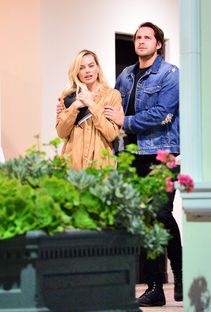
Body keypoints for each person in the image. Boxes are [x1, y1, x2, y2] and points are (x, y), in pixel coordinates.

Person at [104, 22, 181, 307]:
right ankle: (154, 287)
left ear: (158, 43)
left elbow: (163, 113)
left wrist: (125, 121)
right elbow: (110, 107)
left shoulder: (170, 74)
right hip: (130, 155)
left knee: (160, 213)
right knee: (143, 221)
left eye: (147, 37)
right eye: (137, 37)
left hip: (161, 153)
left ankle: (180, 274)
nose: (141, 41)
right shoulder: (124, 76)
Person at [56, 49, 123, 171]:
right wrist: (75, 106)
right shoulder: (68, 97)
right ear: (77, 72)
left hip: (100, 166)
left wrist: (91, 105)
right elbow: (61, 133)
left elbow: (111, 135)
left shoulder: (112, 95)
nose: (87, 71)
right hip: (71, 165)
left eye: (91, 66)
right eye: (81, 68)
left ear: (97, 68)